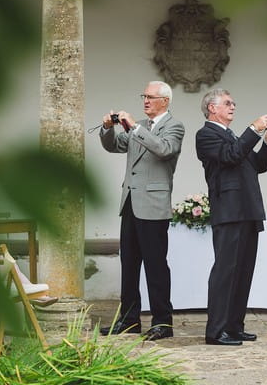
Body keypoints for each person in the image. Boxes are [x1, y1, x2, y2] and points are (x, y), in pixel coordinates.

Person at [98, 81, 185, 341]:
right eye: (143, 96)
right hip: (130, 203)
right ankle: (129, 320)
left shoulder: (174, 126)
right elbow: (114, 145)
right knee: (129, 264)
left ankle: (162, 322)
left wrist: (134, 127)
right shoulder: (141, 128)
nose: (145, 100)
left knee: (156, 266)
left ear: (165, 101)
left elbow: (164, 149)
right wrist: (107, 128)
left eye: (150, 97)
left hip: (154, 206)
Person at [195, 89, 267, 346]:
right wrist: (253, 129)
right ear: (212, 108)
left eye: (234, 103)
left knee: (243, 271)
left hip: (248, 208)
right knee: (225, 271)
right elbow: (231, 156)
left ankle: (233, 327)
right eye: (227, 103)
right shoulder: (206, 134)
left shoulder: (232, 135)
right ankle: (215, 331)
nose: (233, 107)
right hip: (229, 210)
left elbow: (257, 165)